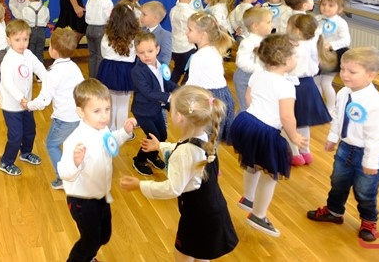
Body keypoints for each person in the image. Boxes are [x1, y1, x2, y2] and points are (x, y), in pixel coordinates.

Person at [121, 85, 238, 261]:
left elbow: (172, 188)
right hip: (214, 210)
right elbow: (184, 151)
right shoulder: (204, 137)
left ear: (179, 117)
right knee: (202, 254)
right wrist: (160, 146)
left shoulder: (185, 152)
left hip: (197, 216)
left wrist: (140, 185)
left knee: (183, 255)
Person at [306, 47, 379, 243]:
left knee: (365, 190)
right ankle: (334, 211)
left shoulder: (376, 104)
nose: (344, 74)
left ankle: (369, 221)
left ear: (371, 75)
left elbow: (375, 137)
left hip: (369, 151)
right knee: (338, 182)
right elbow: (338, 115)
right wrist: (333, 137)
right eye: (343, 69)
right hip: (345, 148)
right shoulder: (344, 92)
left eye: (352, 71)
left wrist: (371, 162)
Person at [230, 34, 307, 238]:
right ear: (286, 61)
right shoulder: (286, 86)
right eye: (294, 56)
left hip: (246, 121)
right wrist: (294, 137)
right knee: (270, 174)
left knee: (252, 163)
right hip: (265, 131)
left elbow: (248, 98)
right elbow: (287, 117)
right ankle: (258, 215)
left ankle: (248, 197)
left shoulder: (258, 74)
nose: (296, 59)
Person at [57, 78, 136, 262]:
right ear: (81, 112)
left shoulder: (102, 129)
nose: (104, 116)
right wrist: (75, 163)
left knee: (104, 235)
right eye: (97, 111)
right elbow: (64, 172)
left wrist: (124, 132)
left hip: (101, 194)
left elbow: (111, 143)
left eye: (107, 109)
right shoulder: (76, 140)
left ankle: (90, 256)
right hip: (82, 200)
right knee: (89, 240)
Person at [21, 27, 84, 190]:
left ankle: (63, 178)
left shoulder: (53, 73)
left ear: (53, 51)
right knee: (72, 145)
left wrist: (28, 105)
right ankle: (78, 173)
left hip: (63, 119)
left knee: (52, 145)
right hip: (79, 117)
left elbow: (44, 100)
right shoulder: (75, 68)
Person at [0, 20, 48, 176]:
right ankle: (5, 162)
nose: (22, 43)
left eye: (25, 39)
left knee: (29, 131)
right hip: (12, 106)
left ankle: (25, 153)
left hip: (27, 104)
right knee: (16, 136)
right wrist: (21, 99)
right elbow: (8, 83)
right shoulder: (8, 60)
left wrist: (49, 80)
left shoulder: (28, 54)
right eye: (17, 40)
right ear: (9, 40)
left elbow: (40, 69)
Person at [286, 14, 332, 166]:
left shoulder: (294, 47)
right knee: (303, 122)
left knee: (288, 121)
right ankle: (305, 151)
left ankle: (294, 154)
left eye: (288, 26)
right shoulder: (315, 41)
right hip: (308, 85)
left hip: (292, 85)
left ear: (297, 31)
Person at [130, 32, 177, 177]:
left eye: (150, 51)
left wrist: (179, 90)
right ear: (137, 53)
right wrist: (169, 97)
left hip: (156, 108)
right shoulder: (137, 71)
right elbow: (147, 92)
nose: (146, 56)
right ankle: (139, 160)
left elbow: (167, 83)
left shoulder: (161, 66)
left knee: (162, 135)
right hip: (143, 111)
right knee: (153, 136)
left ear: (157, 49)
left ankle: (152, 155)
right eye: (142, 53)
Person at [185, 11, 235, 144]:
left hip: (208, 99)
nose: (186, 32)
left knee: (202, 139)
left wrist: (187, 107)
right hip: (223, 97)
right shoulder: (214, 49)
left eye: (190, 29)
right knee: (213, 140)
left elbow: (192, 86)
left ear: (203, 35)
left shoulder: (199, 56)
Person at [96, 3, 139, 130]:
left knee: (109, 104)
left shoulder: (107, 36)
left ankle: (110, 129)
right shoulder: (135, 37)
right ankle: (122, 131)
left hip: (108, 69)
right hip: (127, 71)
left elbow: (103, 53)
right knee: (123, 105)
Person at [314, 0, 351, 116]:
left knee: (326, 83)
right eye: (323, 4)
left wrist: (331, 45)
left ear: (339, 9)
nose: (326, 7)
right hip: (318, 54)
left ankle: (331, 107)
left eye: (331, 5)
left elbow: (346, 40)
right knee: (316, 82)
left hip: (333, 56)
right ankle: (318, 106)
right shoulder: (317, 19)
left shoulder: (341, 22)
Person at [233, 7, 273, 113]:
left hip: (259, 77)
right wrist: (260, 69)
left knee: (257, 105)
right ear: (255, 26)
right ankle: (242, 122)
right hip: (245, 78)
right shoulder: (248, 42)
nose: (272, 25)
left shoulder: (266, 40)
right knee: (246, 106)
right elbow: (241, 62)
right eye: (268, 22)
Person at [84, 0, 113, 79]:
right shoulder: (106, 0)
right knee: (101, 55)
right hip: (101, 29)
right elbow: (109, 17)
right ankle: (99, 79)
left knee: (92, 55)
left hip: (89, 28)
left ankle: (92, 77)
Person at [170, 0, 197, 84]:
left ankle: (169, 90)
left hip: (175, 46)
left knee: (177, 69)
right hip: (187, 47)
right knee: (190, 72)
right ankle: (184, 90)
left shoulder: (173, 10)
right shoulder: (191, 13)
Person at [21, 0, 49, 67]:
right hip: (41, 32)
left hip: (30, 32)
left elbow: (24, 21)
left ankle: (29, 69)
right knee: (40, 52)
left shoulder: (25, 9)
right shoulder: (45, 9)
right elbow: (46, 20)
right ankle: (40, 71)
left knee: (29, 52)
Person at [140, 1, 171, 66]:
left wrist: (159, 69)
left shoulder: (164, 35)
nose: (141, 17)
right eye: (141, 14)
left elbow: (166, 57)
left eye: (144, 14)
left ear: (155, 19)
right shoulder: (140, 31)